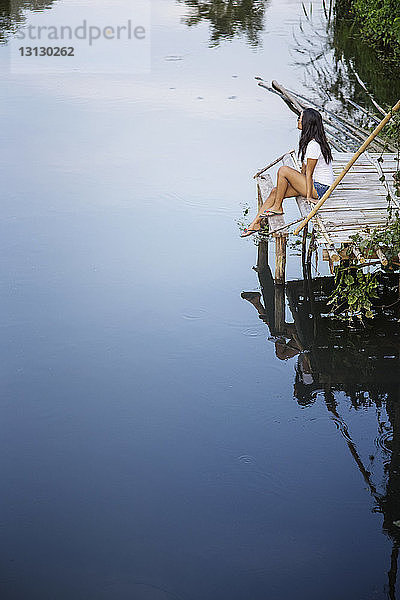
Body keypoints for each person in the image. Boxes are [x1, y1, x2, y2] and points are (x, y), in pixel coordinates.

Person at [241, 108, 334, 237]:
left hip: (320, 189)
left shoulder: (314, 145)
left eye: (300, 118)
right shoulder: (311, 142)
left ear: (307, 122)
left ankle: (278, 207)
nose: (298, 120)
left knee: (283, 170)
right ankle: (255, 223)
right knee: (275, 191)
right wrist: (295, 180)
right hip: (315, 185)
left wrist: (308, 197)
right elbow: (304, 170)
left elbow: (309, 174)